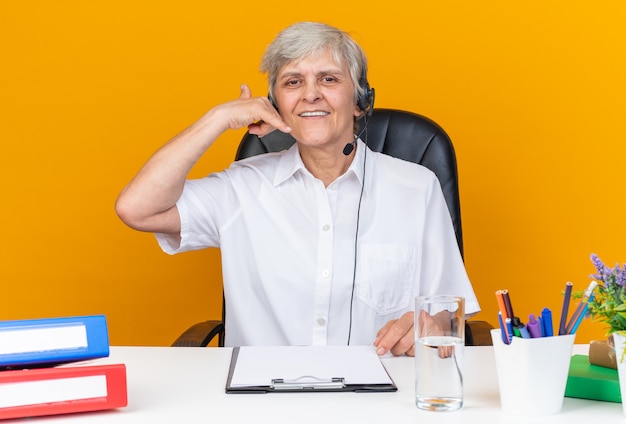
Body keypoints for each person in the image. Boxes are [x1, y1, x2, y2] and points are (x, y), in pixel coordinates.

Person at [115, 21, 480, 356]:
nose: (310, 95)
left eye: (329, 79)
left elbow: (451, 317)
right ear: (275, 106)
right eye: (292, 82)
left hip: (378, 398)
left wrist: (433, 329)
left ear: (360, 101)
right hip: (262, 402)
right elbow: (137, 208)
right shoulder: (242, 186)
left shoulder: (416, 188)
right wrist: (218, 118)